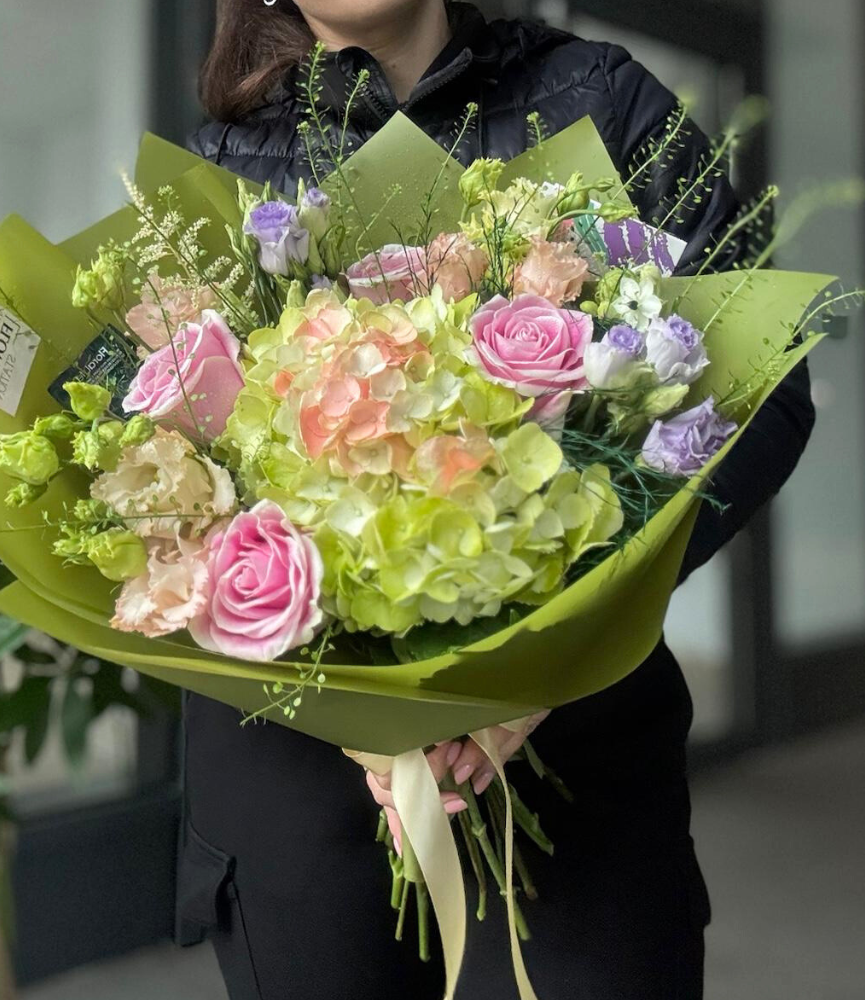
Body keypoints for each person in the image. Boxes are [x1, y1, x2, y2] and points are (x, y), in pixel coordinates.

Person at [176, 3, 816, 998]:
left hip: (575, 760)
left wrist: (550, 649)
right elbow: (165, 476)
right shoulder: (216, 168)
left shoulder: (602, 100)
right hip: (298, 782)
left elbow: (760, 386)